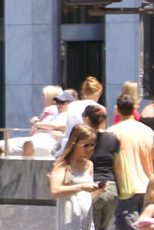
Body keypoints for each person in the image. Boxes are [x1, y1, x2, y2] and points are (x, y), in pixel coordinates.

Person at [113, 93, 154, 230]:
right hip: (147, 187)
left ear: (117, 110)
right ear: (134, 110)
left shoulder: (113, 132)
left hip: (126, 188)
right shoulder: (148, 131)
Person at [48, 123, 101, 230]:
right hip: (69, 221)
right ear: (74, 143)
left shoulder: (89, 164)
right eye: (85, 145)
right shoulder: (63, 164)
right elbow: (55, 191)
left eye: (92, 145)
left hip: (86, 221)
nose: (89, 149)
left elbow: (90, 198)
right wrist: (81, 187)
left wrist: (98, 189)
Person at [84, 102, 119, 230]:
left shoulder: (84, 139)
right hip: (112, 189)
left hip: (93, 187)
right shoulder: (112, 138)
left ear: (87, 118)